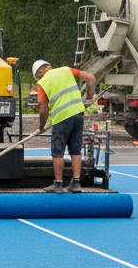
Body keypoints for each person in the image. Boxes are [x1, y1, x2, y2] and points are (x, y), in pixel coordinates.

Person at [33, 59, 96, 193]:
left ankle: (58, 184)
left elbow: (44, 108)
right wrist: (89, 96)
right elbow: (91, 78)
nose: (38, 78)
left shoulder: (42, 83)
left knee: (57, 151)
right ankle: (76, 182)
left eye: (37, 76)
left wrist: (41, 126)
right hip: (78, 114)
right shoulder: (66, 70)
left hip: (62, 118)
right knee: (75, 150)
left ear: (40, 72)